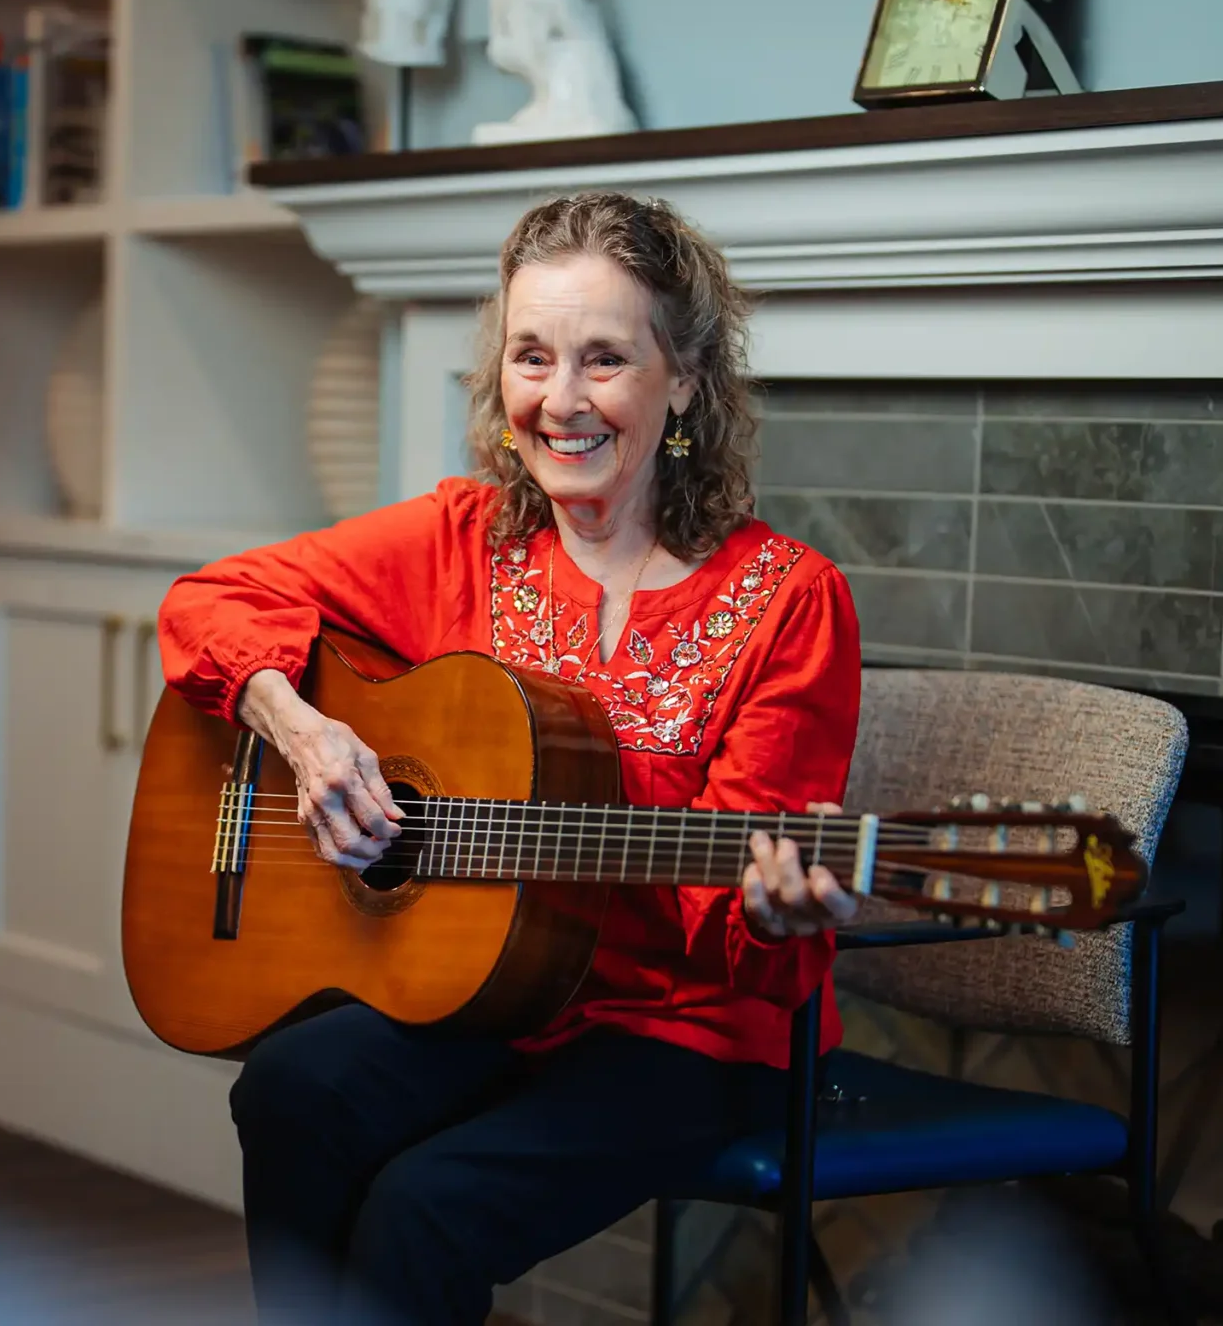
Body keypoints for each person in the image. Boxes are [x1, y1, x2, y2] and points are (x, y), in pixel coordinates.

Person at [157, 191, 864, 1326]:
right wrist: (304, 730)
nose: (560, 400)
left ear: (682, 378)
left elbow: (748, 944)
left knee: (422, 1208)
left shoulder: (789, 602)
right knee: (291, 1089)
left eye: (604, 359)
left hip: (681, 1032)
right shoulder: (461, 537)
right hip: (497, 988)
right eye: (531, 357)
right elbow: (209, 600)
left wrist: (776, 914)